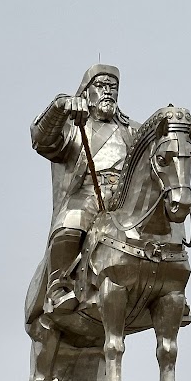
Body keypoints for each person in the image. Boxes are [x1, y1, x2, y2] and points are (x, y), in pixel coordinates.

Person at [27, 64, 139, 317]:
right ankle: (58, 286)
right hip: (88, 193)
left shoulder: (132, 130)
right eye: (101, 86)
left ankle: (169, 284)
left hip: (126, 198)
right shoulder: (75, 126)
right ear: (87, 92)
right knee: (71, 220)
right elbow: (41, 140)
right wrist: (59, 107)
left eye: (113, 87)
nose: (108, 92)